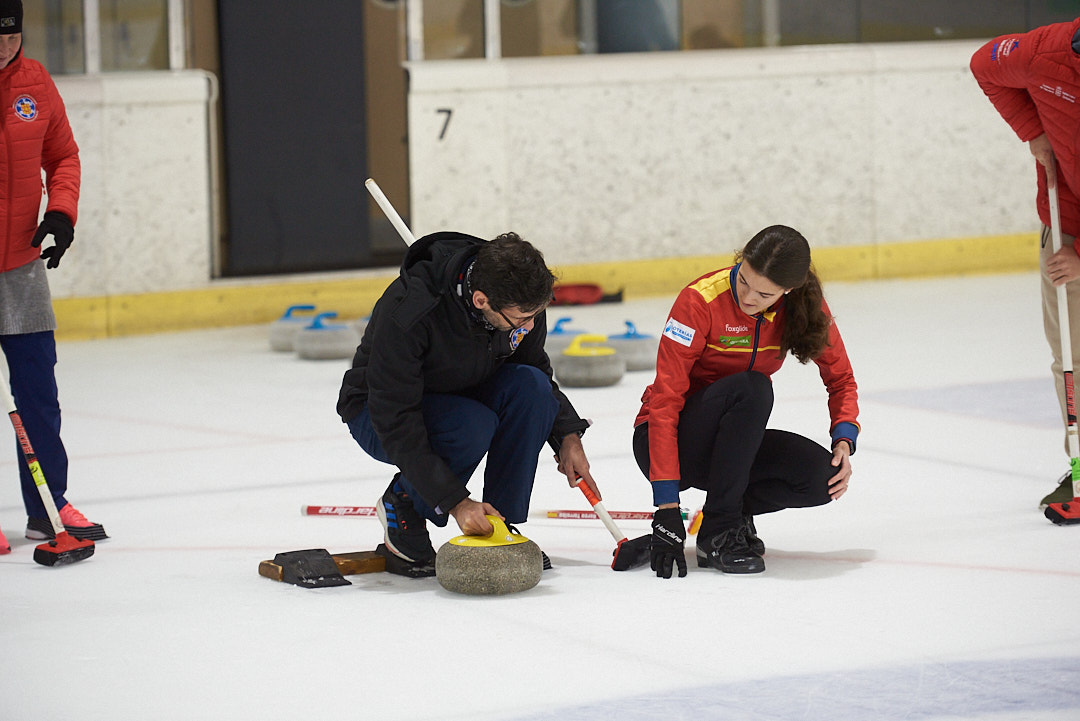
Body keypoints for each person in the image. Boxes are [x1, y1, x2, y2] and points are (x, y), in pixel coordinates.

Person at [337, 230, 596, 567]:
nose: (531, 327)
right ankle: (403, 503)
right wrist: (456, 501)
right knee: (471, 424)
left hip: (462, 392)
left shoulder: (522, 299)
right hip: (378, 412)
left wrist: (567, 435)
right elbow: (396, 418)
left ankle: (500, 520)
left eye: (537, 314)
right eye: (521, 319)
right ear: (480, 300)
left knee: (532, 388)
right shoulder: (409, 312)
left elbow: (534, 368)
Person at [633, 225, 859, 578]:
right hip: (669, 441)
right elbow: (665, 400)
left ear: (788, 290)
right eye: (743, 281)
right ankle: (721, 530)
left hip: (729, 448)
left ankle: (727, 517)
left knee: (821, 479)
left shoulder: (805, 307)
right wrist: (666, 505)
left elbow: (841, 378)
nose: (748, 298)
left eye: (764, 294)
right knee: (752, 389)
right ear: (741, 262)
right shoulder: (699, 301)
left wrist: (844, 438)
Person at [0, 0, 106, 555]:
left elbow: (63, 156)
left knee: (39, 391)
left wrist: (61, 213)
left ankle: (48, 507)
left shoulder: (35, 83)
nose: (2, 48)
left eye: (11, 37)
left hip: (20, 264)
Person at [971, 20, 1080, 510]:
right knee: (1073, 362)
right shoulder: (1045, 52)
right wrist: (1032, 129)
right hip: (1067, 228)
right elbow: (984, 65)